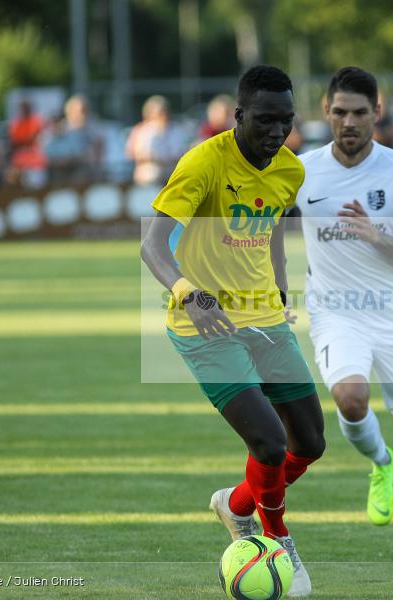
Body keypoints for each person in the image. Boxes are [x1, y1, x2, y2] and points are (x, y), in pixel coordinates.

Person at [140, 65, 323, 597]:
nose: (276, 132)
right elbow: (152, 246)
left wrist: (281, 292)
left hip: (265, 319)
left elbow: (272, 233)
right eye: (265, 120)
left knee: (309, 444)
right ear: (239, 116)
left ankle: (235, 503)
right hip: (205, 326)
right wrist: (187, 293)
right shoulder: (203, 162)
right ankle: (276, 537)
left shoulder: (290, 169)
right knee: (268, 442)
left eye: (286, 122)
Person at [295, 66, 393, 550]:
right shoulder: (301, 169)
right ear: (325, 112)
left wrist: (377, 235)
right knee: (351, 398)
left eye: (359, 112)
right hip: (335, 311)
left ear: (377, 111)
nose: (349, 122)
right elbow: (268, 222)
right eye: (340, 112)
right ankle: (381, 464)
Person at [126, 95, 188, 185]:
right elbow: (132, 154)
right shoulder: (141, 130)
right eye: (160, 112)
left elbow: (181, 153)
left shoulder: (176, 130)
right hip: (150, 167)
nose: (163, 115)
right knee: (152, 173)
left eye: (165, 111)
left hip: (172, 167)